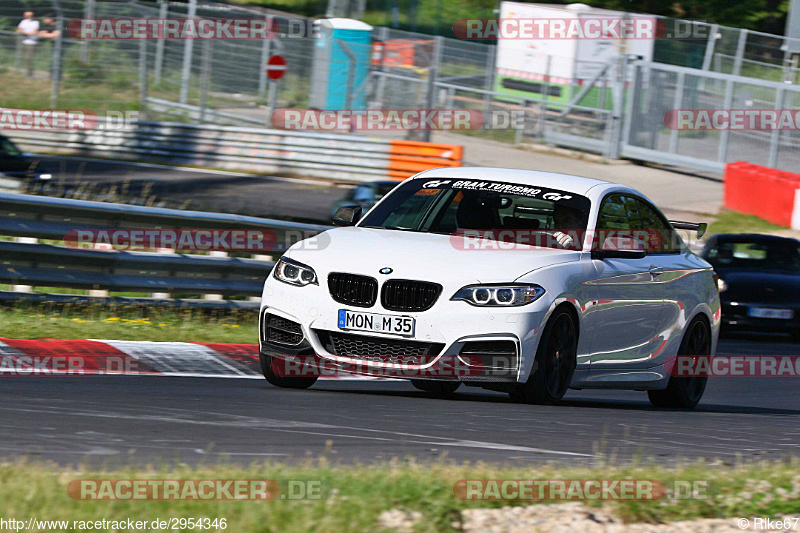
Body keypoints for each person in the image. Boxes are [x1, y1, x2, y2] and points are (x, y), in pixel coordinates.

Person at [16, 11, 39, 77]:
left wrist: (24, 32)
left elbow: (34, 32)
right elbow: (18, 30)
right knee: (24, 57)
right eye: (26, 15)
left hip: (31, 42)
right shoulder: (23, 22)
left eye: (29, 15)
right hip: (24, 41)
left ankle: (30, 73)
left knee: (28, 57)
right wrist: (27, 33)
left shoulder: (36, 22)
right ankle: (26, 71)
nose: (27, 16)